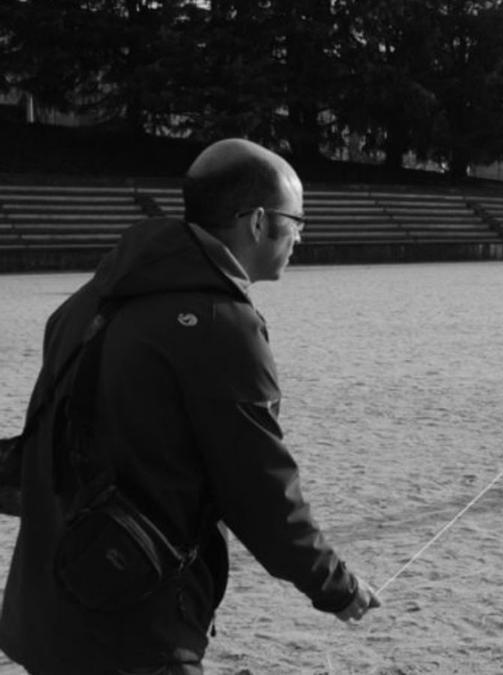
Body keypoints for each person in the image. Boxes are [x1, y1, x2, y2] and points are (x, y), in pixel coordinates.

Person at [0, 138, 380, 673]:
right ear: (256, 221)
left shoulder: (91, 296)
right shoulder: (222, 325)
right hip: (133, 612)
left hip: (48, 603)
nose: (300, 234)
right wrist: (335, 586)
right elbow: (259, 487)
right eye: (296, 219)